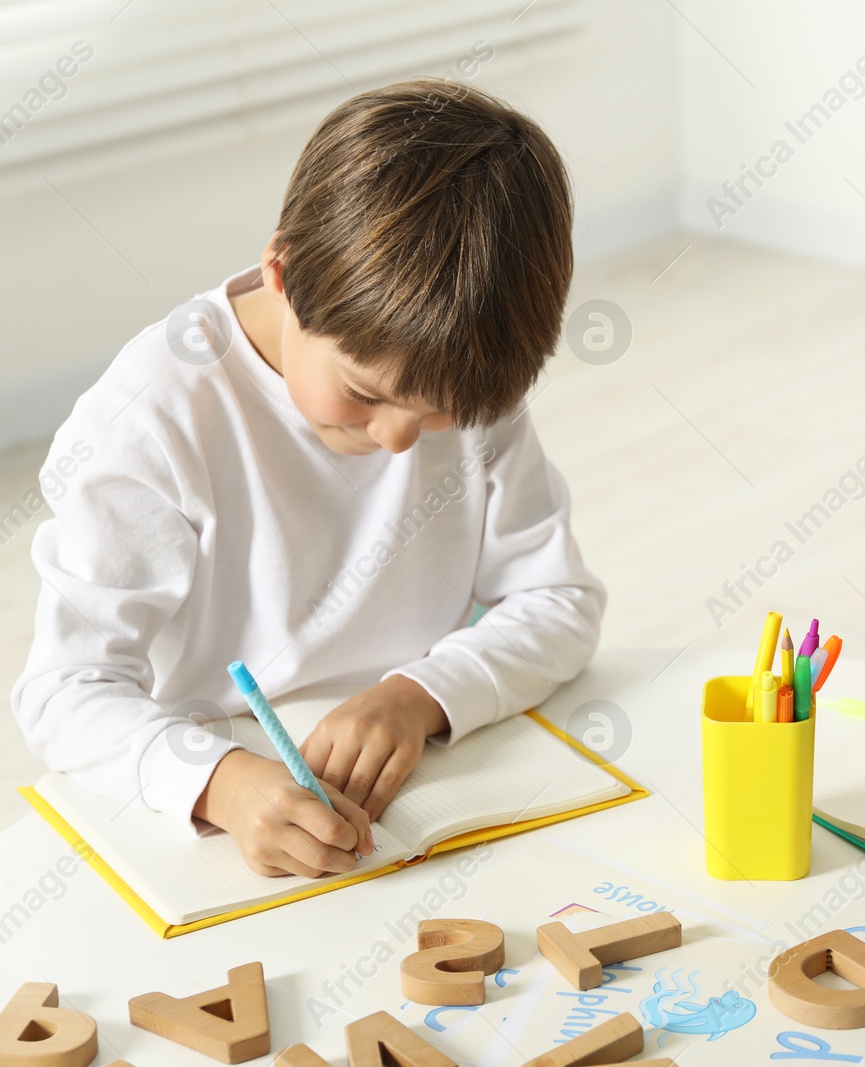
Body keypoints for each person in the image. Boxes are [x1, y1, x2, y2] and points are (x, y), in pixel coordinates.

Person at [13, 78, 605, 880]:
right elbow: (63, 692)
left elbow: (560, 600)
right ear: (283, 278)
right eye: (365, 393)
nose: (400, 439)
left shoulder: (459, 378)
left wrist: (419, 693)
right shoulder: (152, 419)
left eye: (437, 417)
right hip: (224, 800)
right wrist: (216, 781)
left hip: (421, 779)